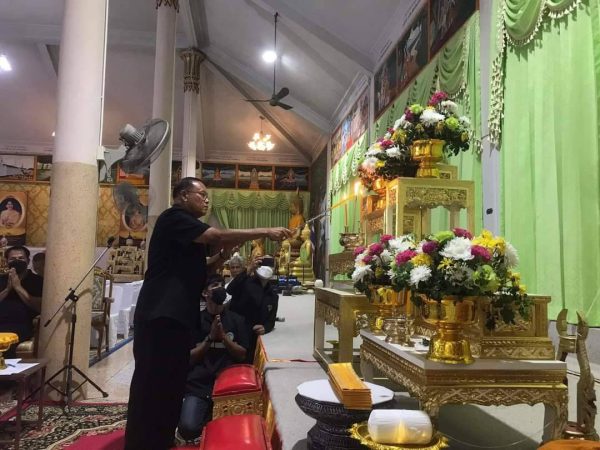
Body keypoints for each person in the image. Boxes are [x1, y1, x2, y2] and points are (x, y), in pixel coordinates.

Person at [124, 177, 292, 450]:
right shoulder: (174, 217)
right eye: (200, 194)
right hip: (160, 315)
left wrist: (223, 256)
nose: (206, 199)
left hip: (177, 316)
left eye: (206, 195)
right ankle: (141, 443)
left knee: (172, 384)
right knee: (152, 383)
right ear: (182, 195)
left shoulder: (187, 229)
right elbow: (216, 236)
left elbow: (202, 270)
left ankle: (161, 439)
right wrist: (265, 231)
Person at [177, 274, 248, 442]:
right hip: (199, 384)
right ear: (204, 293)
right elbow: (188, 358)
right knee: (188, 428)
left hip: (226, 384)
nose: (219, 288)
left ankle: (211, 418)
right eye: (214, 285)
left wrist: (223, 337)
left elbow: (242, 354)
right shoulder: (194, 321)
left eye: (222, 285)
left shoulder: (237, 320)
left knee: (234, 433)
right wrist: (210, 338)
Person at [227, 256, 278, 364]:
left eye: (269, 266)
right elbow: (230, 289)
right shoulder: (245, 282)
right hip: (238, 336)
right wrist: (248, 270)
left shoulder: (273, 295)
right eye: (262, 265)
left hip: (255, 339)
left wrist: (265, 328)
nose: (266, 269)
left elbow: (271, 320)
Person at [0, 246, 43, 357]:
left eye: (21, 258)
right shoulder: (2, 279)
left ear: (28, 261)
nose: (17, 261)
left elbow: (40, 307)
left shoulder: (38, 281)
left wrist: (18, 287)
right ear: (6, 261)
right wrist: (7, 289)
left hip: (23, 324)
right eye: (13, 259)